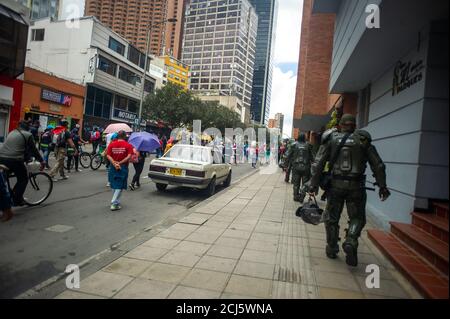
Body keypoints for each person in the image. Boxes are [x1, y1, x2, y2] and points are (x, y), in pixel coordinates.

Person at [307, 114, 391, 266]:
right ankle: (351, 240)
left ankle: (332, 248)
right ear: (354, 125)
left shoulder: (331, 139)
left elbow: (318, 163)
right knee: (357, 218)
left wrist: (313, 184)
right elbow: (378, 165)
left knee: (331, 218)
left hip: (335, 186)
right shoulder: (363, 140)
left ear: (340, 125)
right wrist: (382, 185)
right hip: (356, 187)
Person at [0, 120, 45, 206]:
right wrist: (42, 161)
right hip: (14, 160)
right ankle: (17, 200)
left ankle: (8, 193)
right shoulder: (28, 135)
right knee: (23, 179)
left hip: (1, 158)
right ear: (28, 127)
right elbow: (33, 150)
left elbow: (18, 147)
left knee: (4, 178)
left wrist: (26, 158)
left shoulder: (12, 132)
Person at [106, 130, 133, 211]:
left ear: (117, 136)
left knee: (114, 184)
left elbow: (108, 155)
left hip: (113, 167)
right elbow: (129, 157)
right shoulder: (128, 145)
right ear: (125, 136)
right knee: (119, 185)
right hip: (123, 167)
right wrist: (120, 163)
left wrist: (114, 163)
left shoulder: (112, 144)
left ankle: (117, 202)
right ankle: (114, 202)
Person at [286, 133, 313, 203]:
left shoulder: (293, 145)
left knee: (296, 183)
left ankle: (295, 196)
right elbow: (313, 157)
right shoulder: (308, 145)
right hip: (306, 167)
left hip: (296, 167)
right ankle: (302, 196)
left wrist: (286, 164)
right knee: (305, 183)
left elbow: (288, 155)